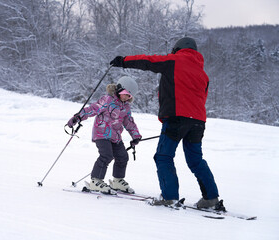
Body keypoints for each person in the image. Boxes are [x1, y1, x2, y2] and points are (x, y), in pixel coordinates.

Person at [110, 37, 219, 208]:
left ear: (177, 49)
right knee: (196, 160)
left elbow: (148, 61)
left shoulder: (174, 60)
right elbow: (202, 98)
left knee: (163, 156)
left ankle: (169, 197)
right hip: (198, 121)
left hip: (176, 118)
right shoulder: (203, 74)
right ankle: (211, 198)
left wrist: (123, 61)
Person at [67, 76, 142, 194]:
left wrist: (136, 136)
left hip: (115, 136)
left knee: (123, 157)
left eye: (130, 96)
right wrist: (78, 117)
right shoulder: (107, 100)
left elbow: (129, 122)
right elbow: (92, 109)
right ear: (119, 89)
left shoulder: (126, 106)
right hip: (101, 133)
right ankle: (96, 181)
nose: (127, 97)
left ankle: (117, 180)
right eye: (126, 93)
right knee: (107, 155)